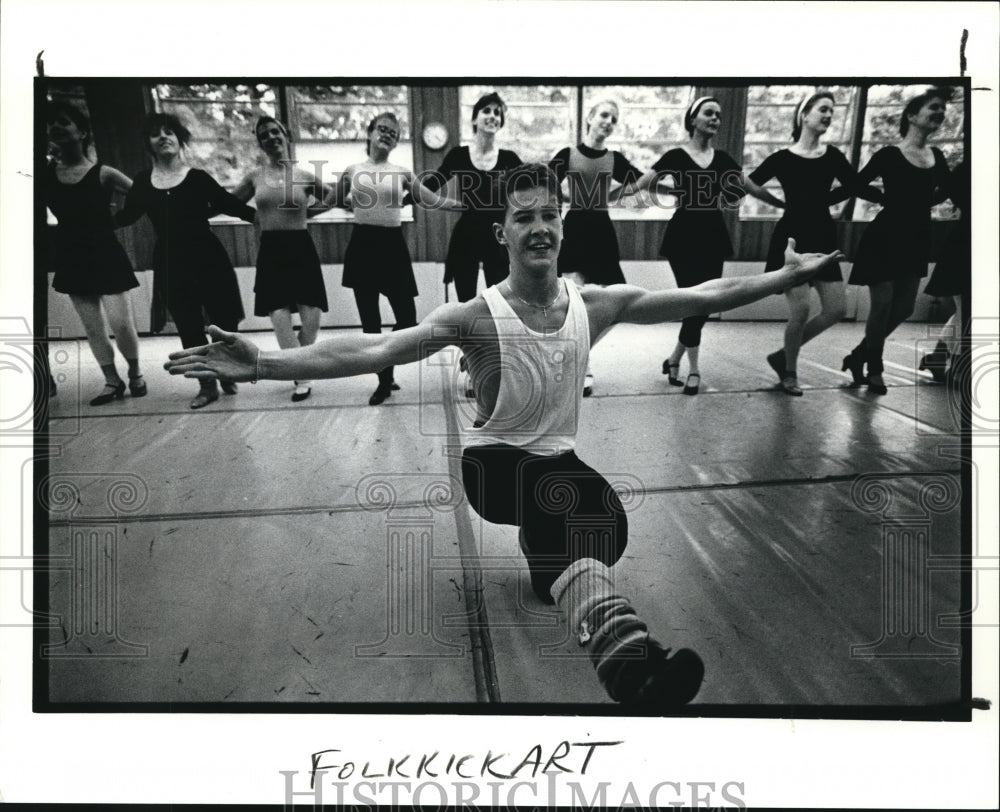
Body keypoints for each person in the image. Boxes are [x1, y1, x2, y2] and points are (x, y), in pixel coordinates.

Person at [165, 163, 843, 708]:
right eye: (525, 218)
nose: (540, 227)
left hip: (555, 463)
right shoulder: (474, 317)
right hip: (493, 468)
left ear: (563, 225)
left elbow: (703, 295)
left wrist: (785, 275)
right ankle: (625, 651)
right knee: (569, 502)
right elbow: (370, 351)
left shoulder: (597, 304)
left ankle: (603, 631)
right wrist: (261, 362)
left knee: (597, 522)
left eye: (550, 215)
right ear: (504, 234)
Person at [115, 112, 257, 409]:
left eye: (170, 132)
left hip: (208, 256)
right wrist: (90, 221)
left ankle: (227, 370)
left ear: (180, 140)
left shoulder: (197, 178)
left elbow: (228, 203)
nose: (163, 136)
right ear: (149, 143)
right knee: (189, 325)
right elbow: (127, 216)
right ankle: (207, 385)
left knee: (223, 320)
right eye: (156, 133)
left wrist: (259, 218)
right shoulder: (143, 182)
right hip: (171, 261)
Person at [327, 112, 460, 405]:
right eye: (383, 129)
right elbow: (333, 200)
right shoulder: (352, 170)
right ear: (370, 133)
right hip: (362, 245)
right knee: (370, 323)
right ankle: (384, 381)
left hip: (392, 246)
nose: (388, 134)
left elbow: (429, 198)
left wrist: (461, 206)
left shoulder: (401, 171)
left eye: (394, 133)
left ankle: (386, 359)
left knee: (408, 319)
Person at [743, 91, 863, 395]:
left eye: (831, 112)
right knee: (800, 310)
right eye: (823, 109)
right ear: (804, 115)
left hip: (823, 234)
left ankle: (783, 355)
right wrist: (775, 201)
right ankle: (790, 373)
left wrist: (827, 199)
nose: (828, 116)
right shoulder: (782, 158)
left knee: (836, 309)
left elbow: (854, 185)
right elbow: (749, 182)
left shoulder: (833, 155)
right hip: (792, 237)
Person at [843, 87, 952, 395]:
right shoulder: (889, 155)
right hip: (885, 236)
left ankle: (857, 356)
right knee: (882, 306)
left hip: (917, 237)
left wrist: (923, 202)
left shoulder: (938, 157)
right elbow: (856, 183)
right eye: (933, 108)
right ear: (912, 116)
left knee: (903, 309)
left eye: (942, 111)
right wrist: (882, 197)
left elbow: (946, 190)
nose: (939, 114)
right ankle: (874, 368)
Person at [45, 102, 146, 406]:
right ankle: (111, 380)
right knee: (92, 326)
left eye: (64, 122)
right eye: (51, 124)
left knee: (121, 323)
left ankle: (136, 372)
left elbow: (143, 197)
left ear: (83, 132)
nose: (55, 128)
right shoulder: (45, 173)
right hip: (71, 254)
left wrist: (121, 220)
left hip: (105, 252)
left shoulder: (104, 173)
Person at [645, 97, 744, 395]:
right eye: (709, 113)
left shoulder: (724, 159)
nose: (715, 118)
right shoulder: (676, 155)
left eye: (719, 114)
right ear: (693, 119)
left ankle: (674, 358)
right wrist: (673, 191)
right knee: (694, 302)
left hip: (714, 235)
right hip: (683, 236)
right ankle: (695, 369)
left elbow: (741, 189)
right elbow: (647, 183)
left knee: (704, 304)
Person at [549, 99, 644, 396]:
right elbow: (545, 183)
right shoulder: (569, 154)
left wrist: (615, 194)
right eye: (604, 115)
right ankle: (581, 365)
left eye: (614, 119)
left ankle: (578, 352)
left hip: (601, 228)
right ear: (590, 117)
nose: (608, 121)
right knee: (573, 303)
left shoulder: (615, 158)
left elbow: (642, 180)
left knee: (618, 300)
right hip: (575, 226)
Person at [233, 116, 331, 402]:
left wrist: (309, 213)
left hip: (300, 245)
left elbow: (335, 198)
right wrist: (252, 216)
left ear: (286, 135)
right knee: (279, 314)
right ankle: (301, 375)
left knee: (311, 313)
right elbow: (229, 202)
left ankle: (296, 362)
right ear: (260, 143)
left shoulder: (305, 176)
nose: (271, 137)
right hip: (271, 249)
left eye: (275, 131)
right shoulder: (254, 176)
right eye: (264, 135)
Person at [422, 92, 523, 303]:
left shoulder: (509, 159)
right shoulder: (458, 155)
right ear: (474, 118)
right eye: (486, 110)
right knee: (465, 300)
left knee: (500, 300)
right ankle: (466, 336)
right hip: (466, 235)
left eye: (497, 113)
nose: (493, 116)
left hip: (497, 235)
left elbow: (528, 188)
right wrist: (449, 205)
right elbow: (428, 187)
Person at [918, 160, 968, 385]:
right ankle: (956, 367)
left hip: (966, 240)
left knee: (965, 309)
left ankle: (939, 358)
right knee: (969, 310)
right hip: (968, 243)